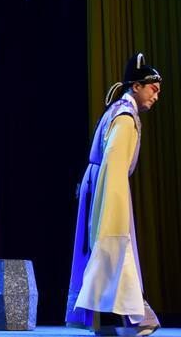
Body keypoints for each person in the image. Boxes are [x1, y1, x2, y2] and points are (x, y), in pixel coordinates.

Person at [66, 53, 162, 336]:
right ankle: (138, 317)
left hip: (101, 182)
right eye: (153, 89)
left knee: (109, 248)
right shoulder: (125, 117)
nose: (156, 96)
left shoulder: (118, 110)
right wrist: (113, 206)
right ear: (136, 86)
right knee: (117, 244)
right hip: (109, 185)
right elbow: (114, 163)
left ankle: (107, 320)